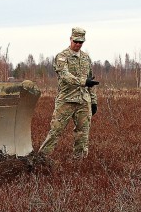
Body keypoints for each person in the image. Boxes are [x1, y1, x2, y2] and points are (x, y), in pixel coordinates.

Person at [39, 27, 99, 158]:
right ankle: (41, 159)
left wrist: (93, 101)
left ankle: (79, 163)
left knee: (83, 134)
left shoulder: (86, 58)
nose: (78, 44)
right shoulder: (62, 57)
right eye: (76, 41)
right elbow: (65, 76)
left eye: (81, 42)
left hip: (83, 101)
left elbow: (91, 81)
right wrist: (84, 82)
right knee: (55, 131)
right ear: (70, 39)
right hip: (66, 100)